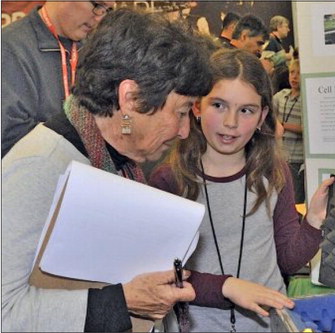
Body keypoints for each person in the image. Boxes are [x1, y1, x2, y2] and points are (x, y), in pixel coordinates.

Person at [2, 8, 214, 332]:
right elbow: (6, 313)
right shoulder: (39, 167)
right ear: (130, 99)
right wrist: (122, 301)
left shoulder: (117, 163)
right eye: (182, 111)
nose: (185, 130)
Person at [149, 48, 335, 332]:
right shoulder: (169, 180)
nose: (231, 122)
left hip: (269, 323)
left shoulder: (274, 172)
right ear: (197, 107)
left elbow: (287, 258)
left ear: (262, 117)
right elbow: (164, 276)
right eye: (219, 105)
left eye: (246, 110)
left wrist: (313, 222)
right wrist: (227, 286)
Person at [1, 1, 115, 157]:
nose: (99, 17)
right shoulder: (9, 49)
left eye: (107, 10)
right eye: (97, 5)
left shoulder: (95, 49)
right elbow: (9, 137)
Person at [273, 59, 305, 204]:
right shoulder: (280, 96)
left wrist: (283, 124)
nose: (294, 77)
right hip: (279, 155)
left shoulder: (305, 99)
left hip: (297, 158)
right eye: (292, 72)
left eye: (299, 73)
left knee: (295, 199)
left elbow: (307, 129)